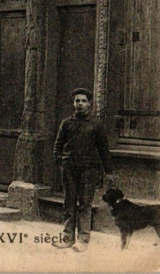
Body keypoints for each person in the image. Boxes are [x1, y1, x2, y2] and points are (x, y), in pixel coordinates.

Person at [53, 87, 114, 252]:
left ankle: (83, 240)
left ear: (89, 104)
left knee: (85, 204)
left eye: (83, 101)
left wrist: (109, 172)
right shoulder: (67, 123)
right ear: (73, 103)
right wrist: (61, 161)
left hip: (89, 170)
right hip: (69, 169)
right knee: (68, 202)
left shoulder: (96, 125)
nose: (80, 104)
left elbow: (103, 150)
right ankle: (67, 238)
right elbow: (58, 145)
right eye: (77, 101)